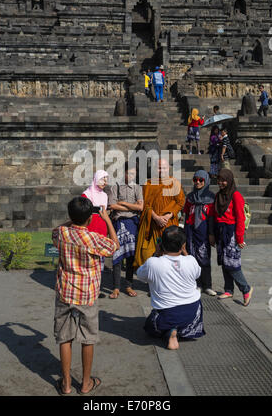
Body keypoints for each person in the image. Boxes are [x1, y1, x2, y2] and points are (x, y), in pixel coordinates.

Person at [52, 196, 119, 395]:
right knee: (88, 338)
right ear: (90, 218)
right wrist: (107, 219)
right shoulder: (93, 239)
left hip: (65, 291)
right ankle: (85, 383)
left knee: (65, 338)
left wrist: (71, 221)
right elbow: (114, 246)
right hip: (87, 294)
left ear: (70, 216)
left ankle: (65, 384)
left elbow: (55, 232)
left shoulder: (63, 233)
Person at [137, 226, 205, 350]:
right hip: (193, 312)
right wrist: (185, 252)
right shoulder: (191, 260)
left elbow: (140, 274)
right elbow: (197, 273)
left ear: (161, 244)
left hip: (167, 314)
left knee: (149, 326)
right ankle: (180, 331)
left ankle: (170, 332)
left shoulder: (153, 263)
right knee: (185, 322)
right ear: (183, 245)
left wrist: (157, 254)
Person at [134, 158, 185, 269]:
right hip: (152, 225)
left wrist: (168, 215)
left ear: (168, 169)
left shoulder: (174, 183)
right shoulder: (148, 184)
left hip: (169, 224)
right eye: (159, 168)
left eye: (164, 168)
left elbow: (180, 202)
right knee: (151, 253)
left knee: (171, 253)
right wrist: (156, 217)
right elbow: (145, 204)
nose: (162, 170)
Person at [213, 169, 253, 306]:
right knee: (224, 262)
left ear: (229, 180)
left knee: (232, 264)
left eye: (223, 180)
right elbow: (214, 216)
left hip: (231, 234)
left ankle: (245, 289)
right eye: (219, 180)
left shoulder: (236, 196)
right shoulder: (218, 195)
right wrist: (212, 234)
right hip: (220, 232)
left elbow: (240, 218)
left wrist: (240, 238)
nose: (221, 183)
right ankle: (228, 289)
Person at [108, 163, 143, 299]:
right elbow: (112, 205)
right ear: (124, 173)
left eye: (134, 174)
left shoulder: (138, 188)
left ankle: (128, 285)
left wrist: (123, 204)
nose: (131, 176)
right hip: (119, 223)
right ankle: (116, 287)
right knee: (117, 256)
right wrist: (131, 207)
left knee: (130, 257)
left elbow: (140, 207)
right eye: (129, 173)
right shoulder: (115, 186)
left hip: (133, 224)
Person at [183, 170, 217, 296]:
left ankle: (207, 285)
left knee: (204, 258)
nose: (197, 182)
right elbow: (186, 215)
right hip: (190, 231)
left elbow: (212, 218)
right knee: (192, 259)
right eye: (195, 180)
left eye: (200, 180)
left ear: (206, 181)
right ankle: (196, 284)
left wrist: (211, 234)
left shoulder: (211, 197)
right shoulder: (190, 197)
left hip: (204, 231)